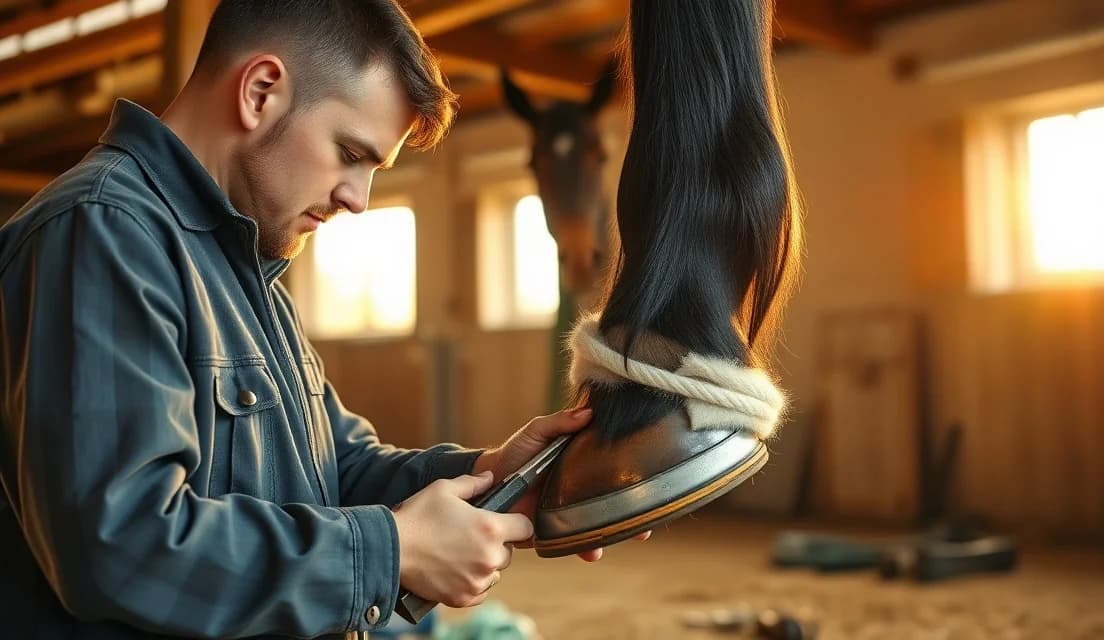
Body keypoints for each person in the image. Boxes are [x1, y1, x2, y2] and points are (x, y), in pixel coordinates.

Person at [0, 1, 643, 638]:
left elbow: (334, 468)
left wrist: (495, 474)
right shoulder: (103, 233)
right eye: (349, 153)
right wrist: (391, 551)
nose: (358, 200)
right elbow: (119, 546)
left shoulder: (248, 270)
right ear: (260, 91)